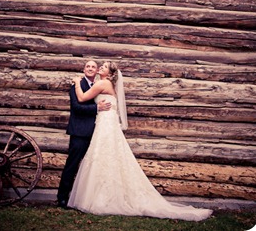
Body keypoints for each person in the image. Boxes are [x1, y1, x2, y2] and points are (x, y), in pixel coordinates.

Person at [67, 61, 213, 222]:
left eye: (104, 66)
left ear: (109, 73)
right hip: (106, 124)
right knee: (106, 159)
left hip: (105, 125)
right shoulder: (106, 84)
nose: (101, 67)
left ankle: (101, 198)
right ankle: (103, 195)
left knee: (102, 159)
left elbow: (81, 97)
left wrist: (75, 82)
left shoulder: (102, 83)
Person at [57, 59, 111, 208]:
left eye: (93, 66)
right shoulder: (77, 85)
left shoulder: (100, 85)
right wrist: (97, 108)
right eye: (87, 66)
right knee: (72, 165)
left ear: (96, 70)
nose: (90, 68)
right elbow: (76, 107)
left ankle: (86, 198)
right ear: (83, 69)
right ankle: (62, 197)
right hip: (80, 132)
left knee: (91, 167)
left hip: (96, 133)